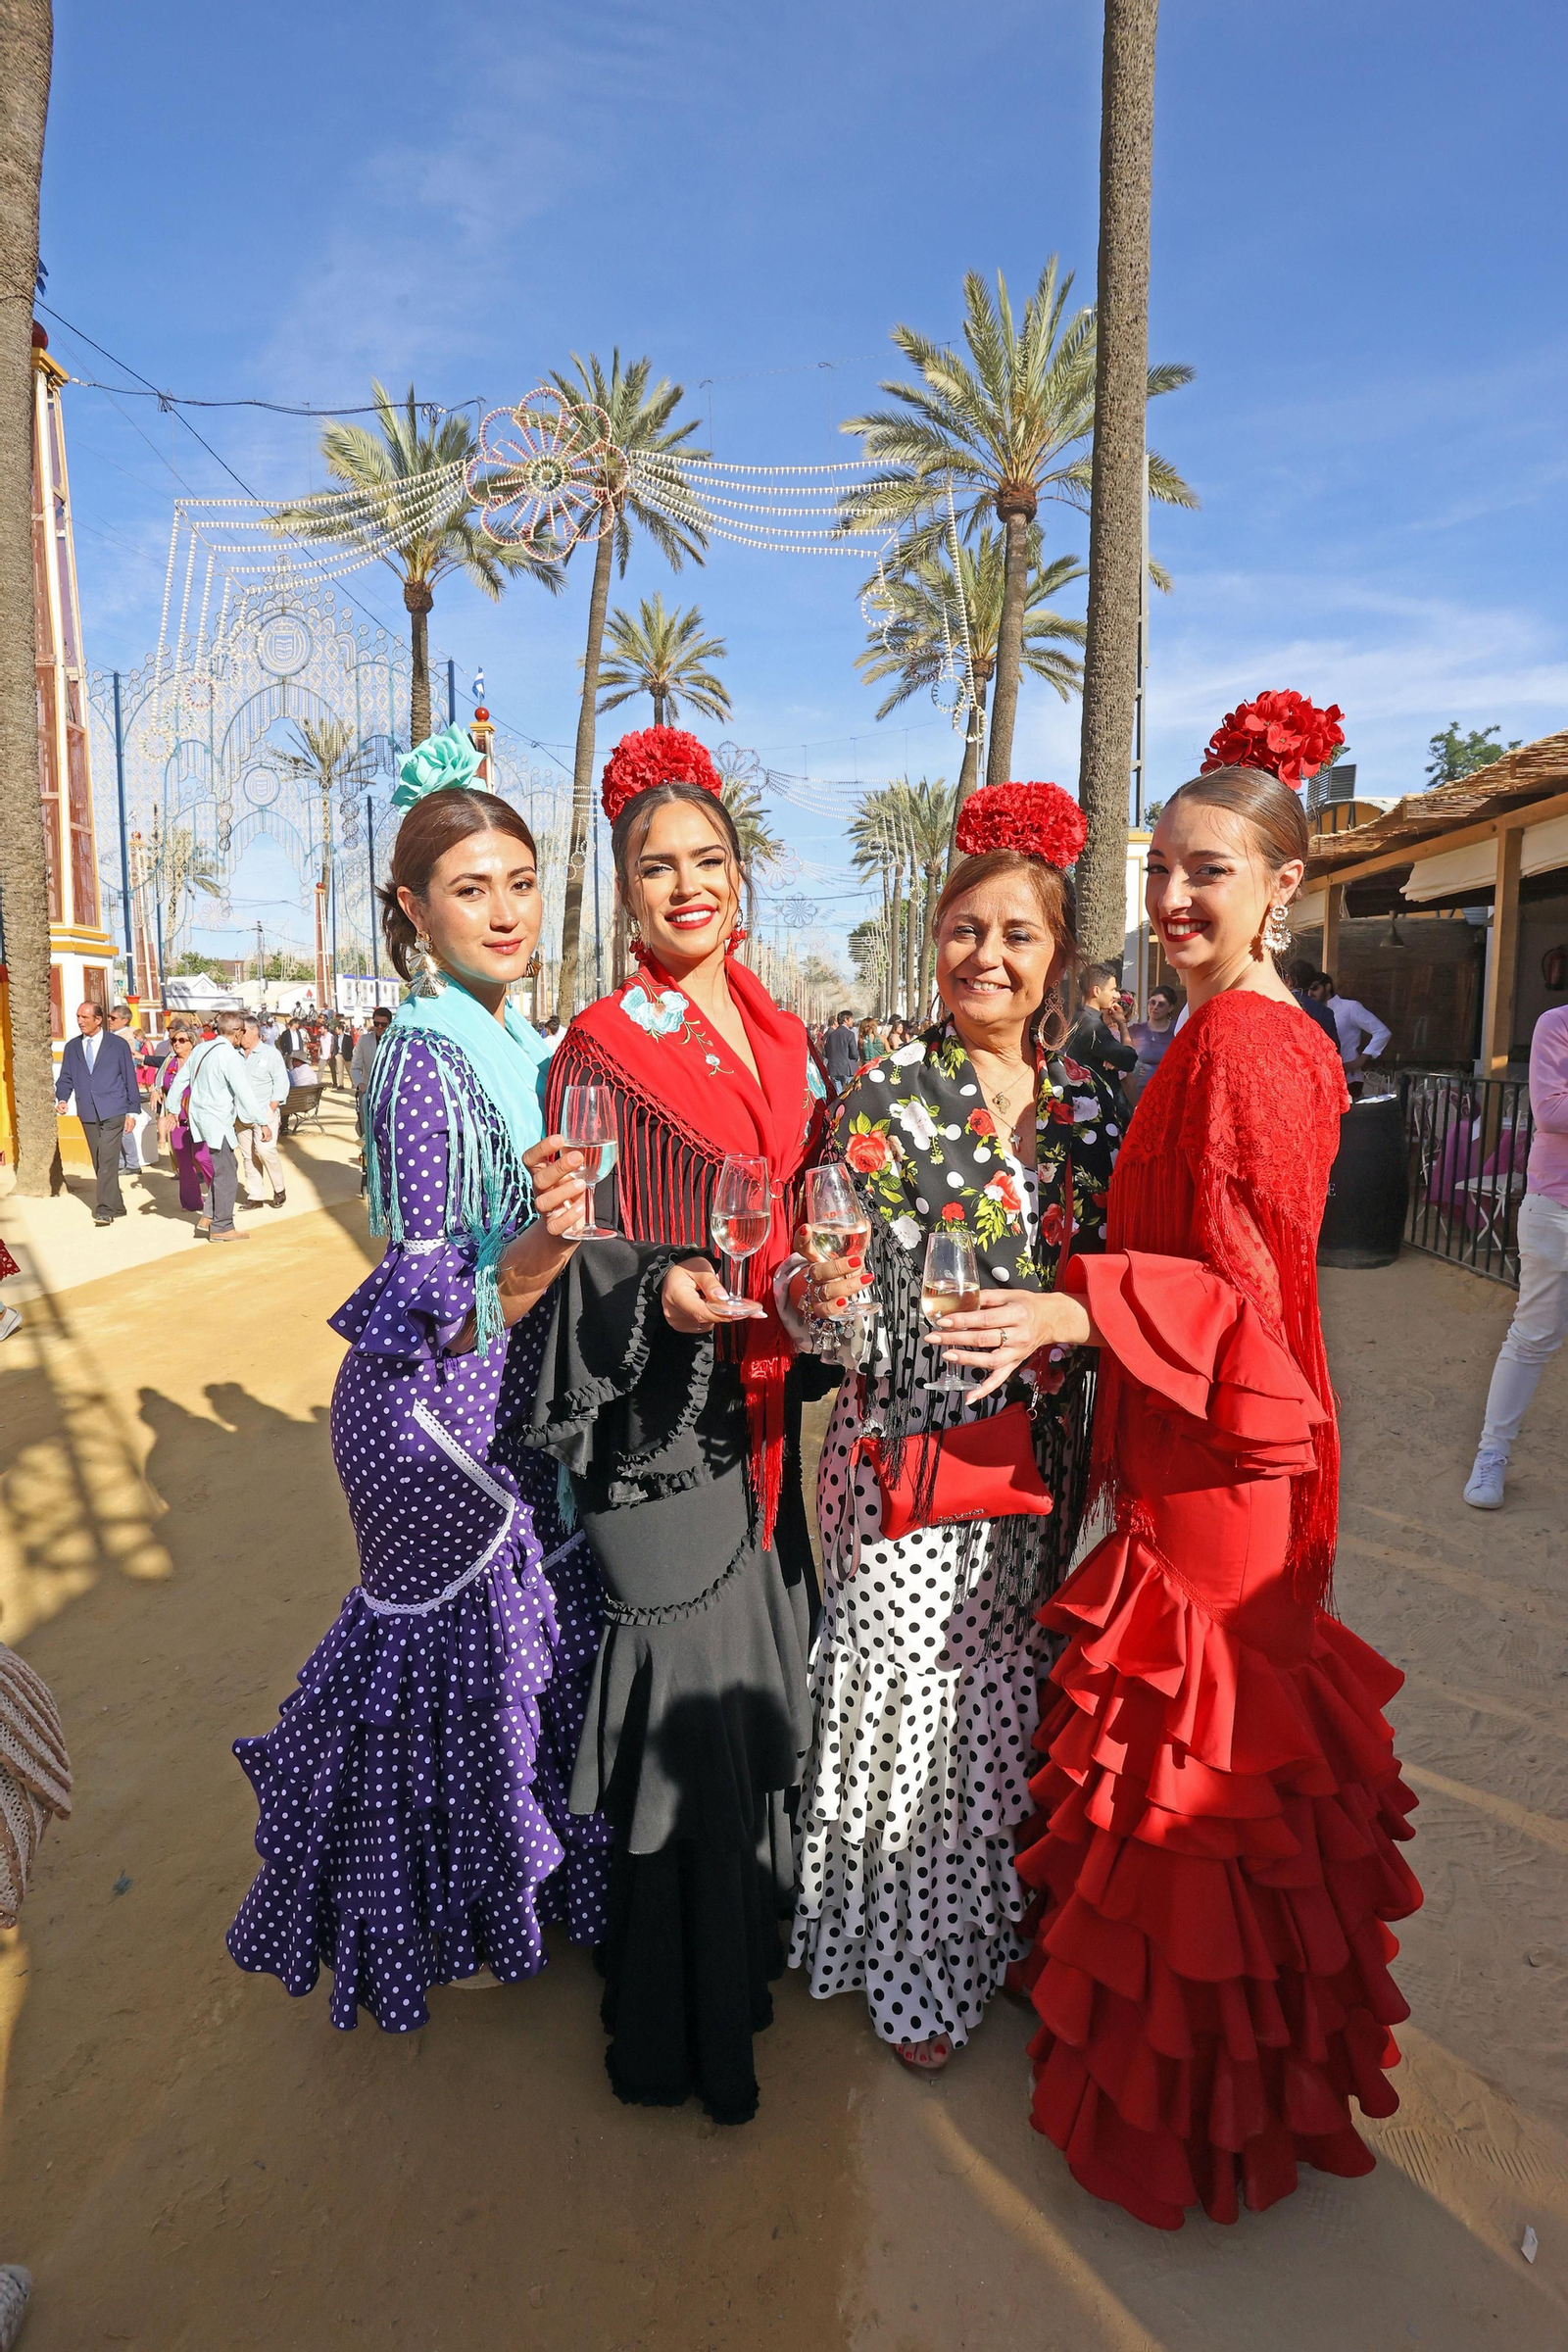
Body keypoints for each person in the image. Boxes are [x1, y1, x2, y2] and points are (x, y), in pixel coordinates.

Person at [1008, 758, 1420, 2230]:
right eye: (1166, 868)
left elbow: (1245, 1310)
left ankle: (1197, 2118)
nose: (1178, 898)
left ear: (1284, 888)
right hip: (1202, 1446)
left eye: (1213, 873)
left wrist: (1080, 1314)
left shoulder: (1250, 1047)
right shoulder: (1212, 1028)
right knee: (1218, 1782)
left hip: (1225, 1460)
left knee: (1206, 1785)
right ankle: (1228, 2089)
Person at [229, 727, 611, 2028]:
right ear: (411, 909)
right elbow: (449, 1294)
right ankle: (414, 1933)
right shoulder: (423, 1057)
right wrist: (555, 1246)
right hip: (437, 1429)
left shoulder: (518, 1036)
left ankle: (506, 1900)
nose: (503, 913)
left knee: (508, 1682)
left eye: (518, 883)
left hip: (502, 1417)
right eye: (469, 889)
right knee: (443, 1694)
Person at [517, 724, 829, 2126]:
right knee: (683, 1732)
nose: (687, 886)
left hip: (759, 1413)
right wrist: (666, 1286)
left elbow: (807, 1202)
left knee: (740, 1709)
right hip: (662, 1435)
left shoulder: (774, 1028)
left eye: (710, 861)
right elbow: (572, 1258)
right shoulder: (598, 1044)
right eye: (659, 868)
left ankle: (732, 1981)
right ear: (626, 890)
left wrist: (824, 1267)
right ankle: (674, 2039)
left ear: (741, 879)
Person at [786, 782, 1121, 2075]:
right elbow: (831, 1300)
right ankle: (918, 1970)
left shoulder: (1091, 1095)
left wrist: (1068, 1323)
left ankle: (1000, 1943)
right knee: (919, 1714)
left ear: (1058, 957)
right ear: (935, 942)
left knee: (1013, 1706)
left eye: (1017, 935)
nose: (988, 957)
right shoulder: (883, 1095)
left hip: (1050, 1466)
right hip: (911, 1465)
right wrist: (834, 1307)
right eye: (965, 931)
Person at [1463, 1002, 1568, 1509]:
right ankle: (1492, 1455)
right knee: (1532, 1337)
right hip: (1557, 1207)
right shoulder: (1558, 1022)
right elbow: (1551, 1111)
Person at [54, 1000, 140, 1227]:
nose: (80, 1021)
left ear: (98, 1019)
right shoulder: (72, 1047)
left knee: (108, 1158)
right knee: (98, 1159)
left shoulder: (118, 1045)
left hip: (114, 1109)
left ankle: (104, 1209)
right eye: (78, 1017)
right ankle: (118, 1205)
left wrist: (132, 1111)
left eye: (85, 1017)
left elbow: (129, 1078)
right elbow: (66, 1078)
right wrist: (62, 1098)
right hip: (88, 1111)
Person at [184, 1011, 264, 1243]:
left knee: (227, 1166)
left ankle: (209, 1216)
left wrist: (171, 1105)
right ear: (238, 1033)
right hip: (217, 1121)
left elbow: (182, 1079)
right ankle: (222, 1225)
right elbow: (244, 1091)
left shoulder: (202, 1049)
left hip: (204, 1117)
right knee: (227, 1173)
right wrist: (261, 1120)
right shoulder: (228, 1054)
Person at [1063, 963, 1139, 1097]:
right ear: (1096, 991)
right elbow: (1129, 1060)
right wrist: (1121, 1023)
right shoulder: (1093, 1026)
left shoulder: (1075, 1017)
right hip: (1096, 1103)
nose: (1117, 995)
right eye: (1113, 990)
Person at [237, 1015, 288, 1209]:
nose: (240, 1035)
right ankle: (255, 1195)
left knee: (265, 1151)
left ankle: (279, 1188)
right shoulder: (236, 1055)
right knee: (249, 1156)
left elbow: (281, 1084)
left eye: (243, 1031)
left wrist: (271, 1110)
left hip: (265, 1112)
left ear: (255, 1030)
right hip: (241, 1115)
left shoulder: (270, 1054)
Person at [154, 1025, 205, 1216]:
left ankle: (218, 1197)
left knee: (205, 1159)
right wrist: (155, 1090)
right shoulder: (169, 1062)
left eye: (182, 1040)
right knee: (183, 1163)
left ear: (192, 1043)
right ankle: (192, 1202)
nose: (177, 1044)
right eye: (174, 1040)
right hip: (177, 1121)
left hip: (199, 1119)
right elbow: (159, 1083)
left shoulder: (200, 1062)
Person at [1321, 975, 1392, 1091]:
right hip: (1325, 1080)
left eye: (1314, 988)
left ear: (1327, 987)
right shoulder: (1311, 1010)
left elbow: (1382, 1031)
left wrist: (1360, 1060)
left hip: (1349, 1077)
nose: (1310, 993)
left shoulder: (1350, 1007)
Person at [1125, 982, 1181, 1103]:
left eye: (1161, 1004)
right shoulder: (1134, 1030)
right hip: (1139, 1095)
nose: (1155, 1007)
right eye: (1152, 1002)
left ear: (1170, 1008)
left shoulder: (1178, 1031)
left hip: (1167, 1095)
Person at [1284, 956, 1341, 1047]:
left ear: (1289, 981)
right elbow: (1334, 1048)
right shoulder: (1325, 1013)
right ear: (1311, 983)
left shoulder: (1276, 1006)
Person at [823, 1008, 859, 1096]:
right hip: (847, 1068)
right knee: (850, 1093)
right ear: (846, 1020)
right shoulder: (849, 1034)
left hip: (834, 1068)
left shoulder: (831, 1035)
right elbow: (854, 1053)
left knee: (838, 1094)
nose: (852, 1021)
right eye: (851, 1019)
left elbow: (826, 1053)